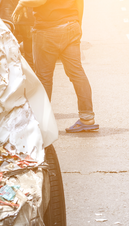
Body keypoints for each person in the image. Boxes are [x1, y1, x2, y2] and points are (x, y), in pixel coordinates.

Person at [12, 0, 98, 133]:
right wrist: (77, 25)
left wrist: (22, 3)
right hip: (71, 26)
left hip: (47, 30)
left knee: (44, 77)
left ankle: (42, 121)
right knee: (77, 73)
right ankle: (87, 117)